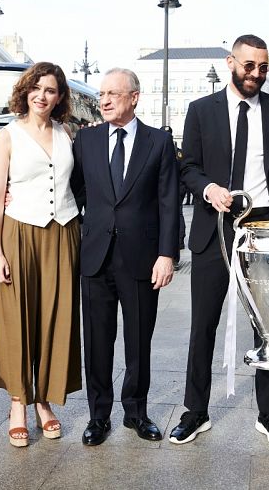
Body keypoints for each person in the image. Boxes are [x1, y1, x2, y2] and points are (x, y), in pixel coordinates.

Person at [174, 35, 269, 448]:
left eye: (263, 67)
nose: (256, 74)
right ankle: (195, 412)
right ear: (231, 63)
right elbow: (187, 167)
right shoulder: (200, 110)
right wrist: (208, 188)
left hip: (264, 228)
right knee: (202, 325)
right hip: (215, 226)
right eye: (249, 66)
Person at [72, 67, 178, 446]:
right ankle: (98, 416)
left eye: (113, 94)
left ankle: (136, 412)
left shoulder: (158, 142)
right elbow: (76, 190)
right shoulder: (86, 141)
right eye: (102, 94)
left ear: (134, 97)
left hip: (141, 259)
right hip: (96, 257)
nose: (104, 100)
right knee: (97, 342)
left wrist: (167, 254)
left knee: (138, 342)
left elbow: (169, 203)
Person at [0, 62, 81, 447]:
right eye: (37, 88)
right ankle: (17, 404)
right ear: (25, 91)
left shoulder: (66, 133)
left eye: (52, 90)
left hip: (63, 232)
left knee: (55, 319)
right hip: (19, 231)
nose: (43, 96)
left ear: (60, 97)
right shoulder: (6, 136)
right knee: (16, 319)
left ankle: (44, 400)